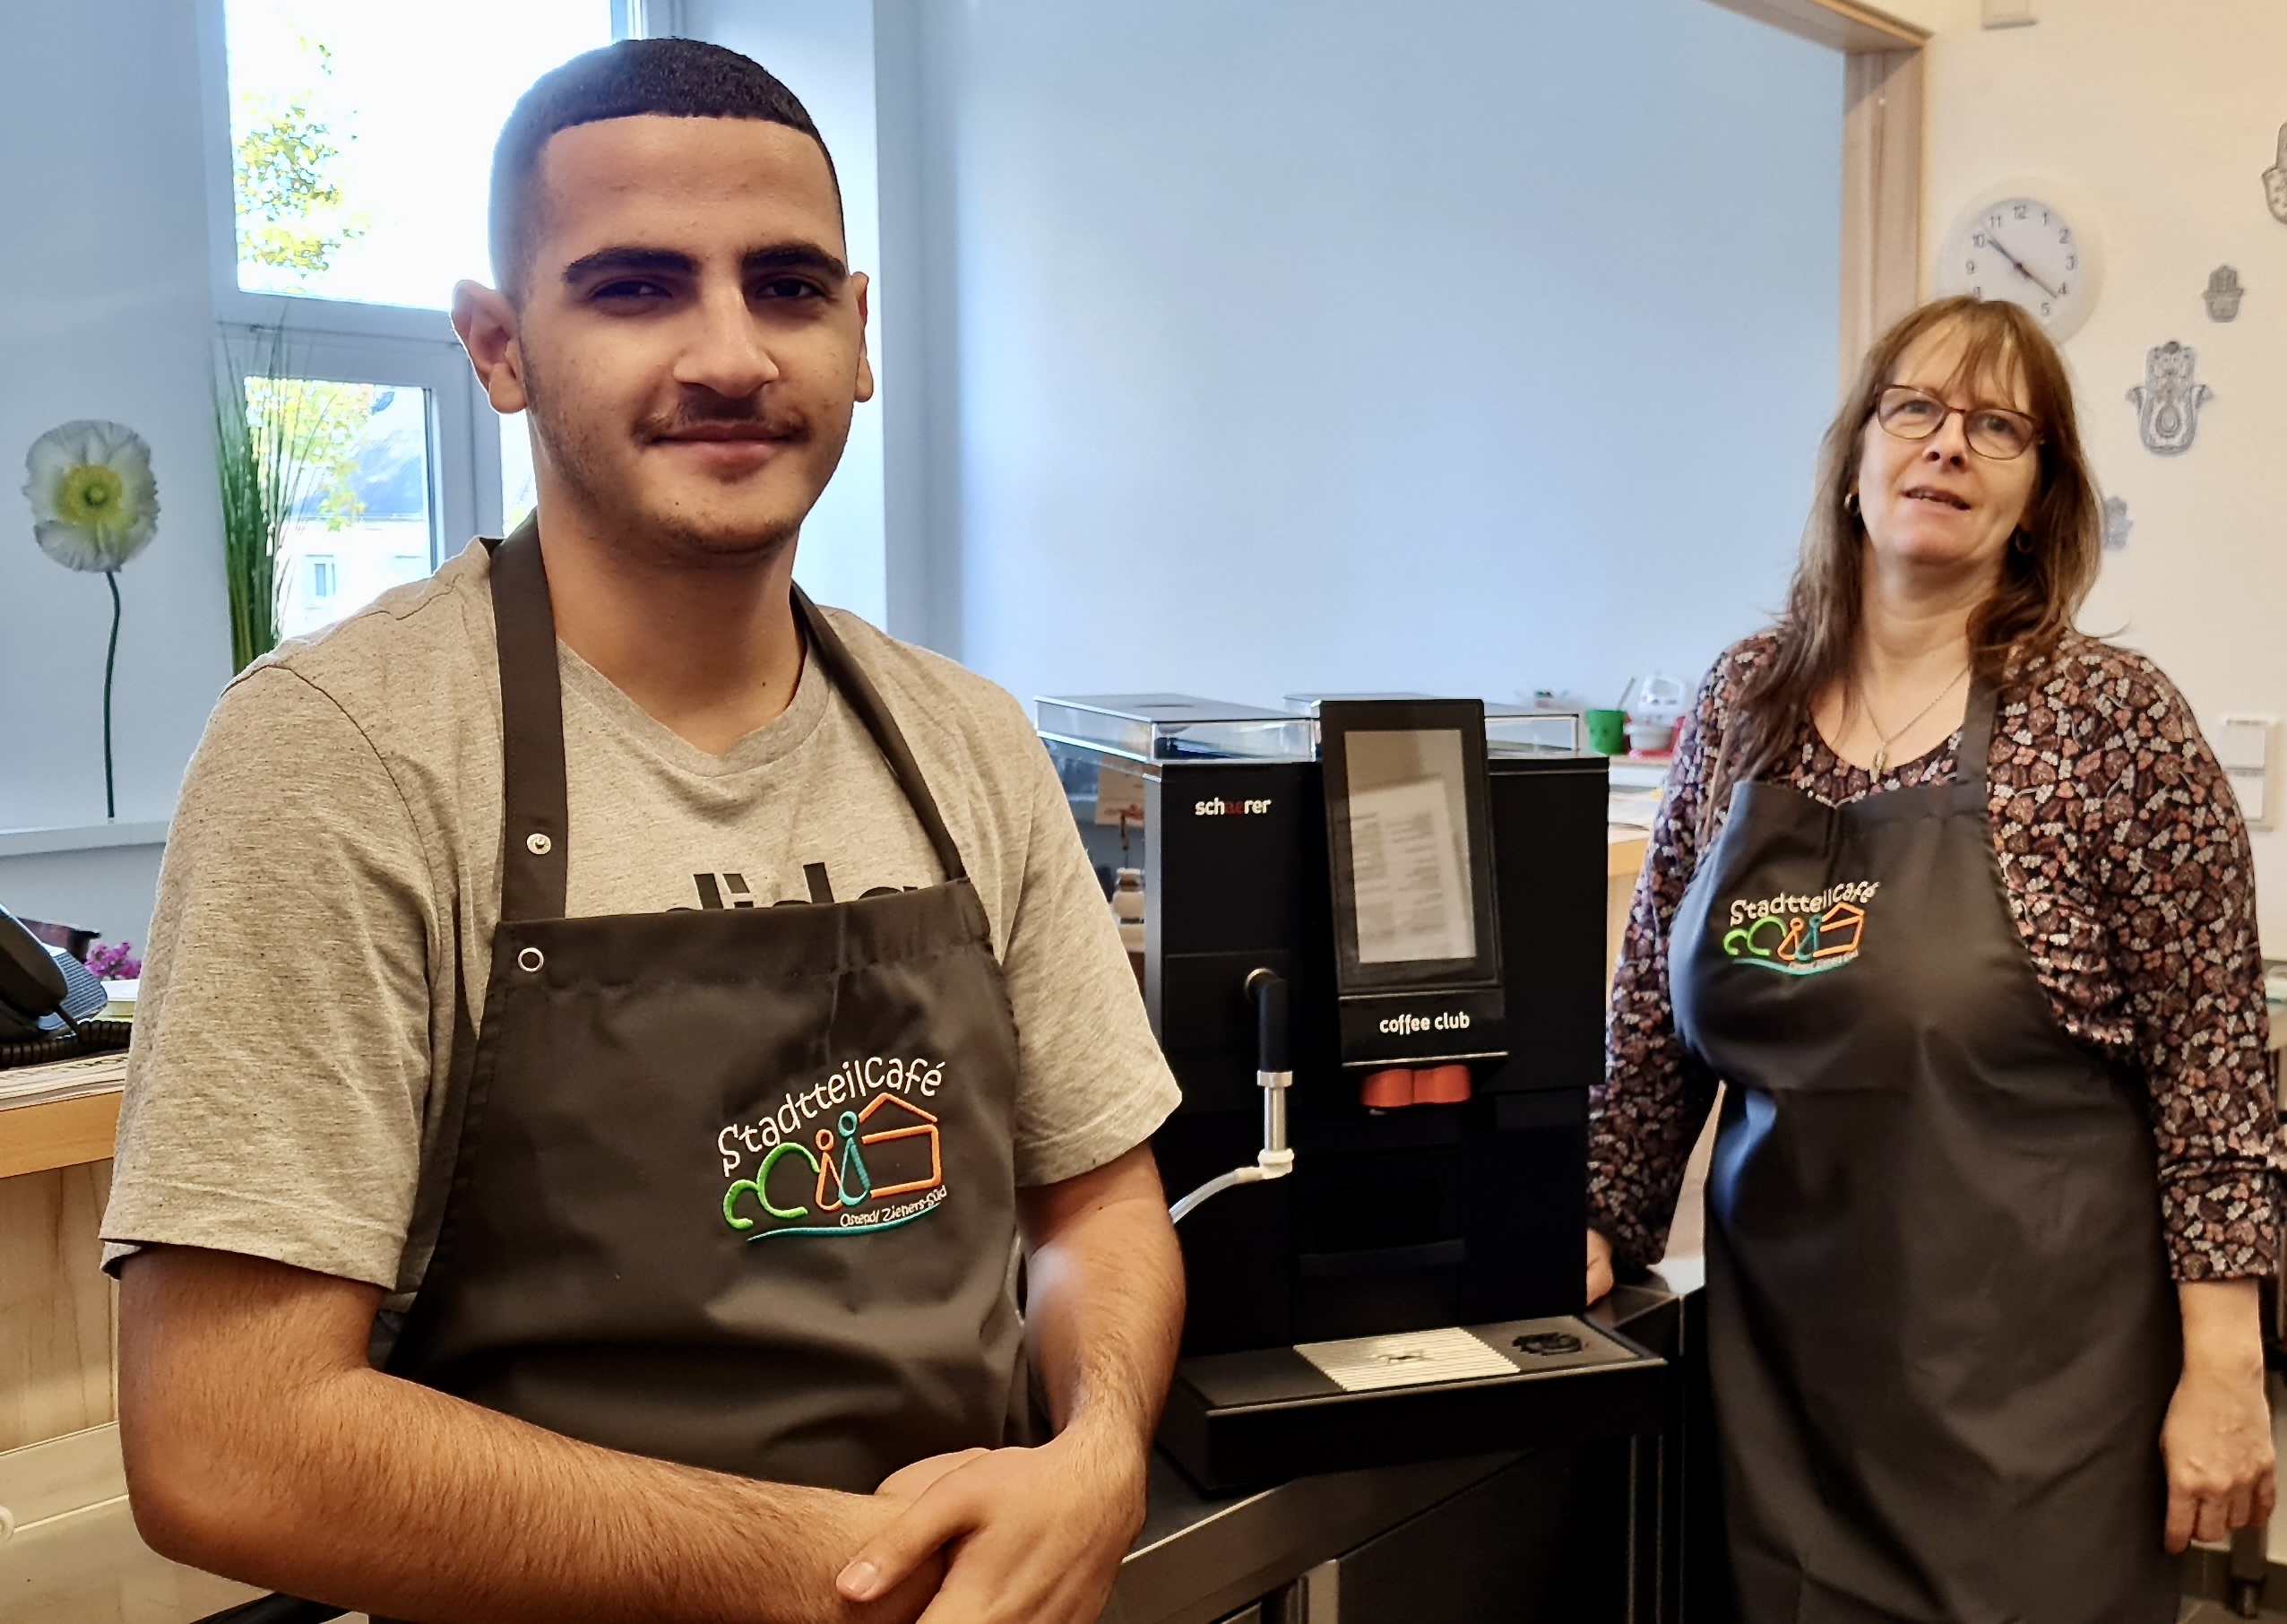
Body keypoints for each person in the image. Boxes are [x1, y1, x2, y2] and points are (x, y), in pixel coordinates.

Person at [105, 39, 1183, 1624]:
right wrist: (858, 1572)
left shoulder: (968, 739)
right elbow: (228, 1440)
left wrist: (1094, 1456)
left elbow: (1095, 1201)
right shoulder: (347, 752)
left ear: (862, 335)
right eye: (633, 288)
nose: (733, 354)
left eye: (790, 285)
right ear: (498, 345)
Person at [1587, 295, 2283, 1622]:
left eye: (1997, 427)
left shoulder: (2109, 725)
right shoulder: (1749, 701)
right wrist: (1596, 1224)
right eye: (1916, 411)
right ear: (1855, 462)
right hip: (1777, 1394)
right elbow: (1649, 1020)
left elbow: (2216, 1078)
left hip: (2033, 1421)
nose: (1947, 446)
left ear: (2040, 496)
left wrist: (2227, 1369)